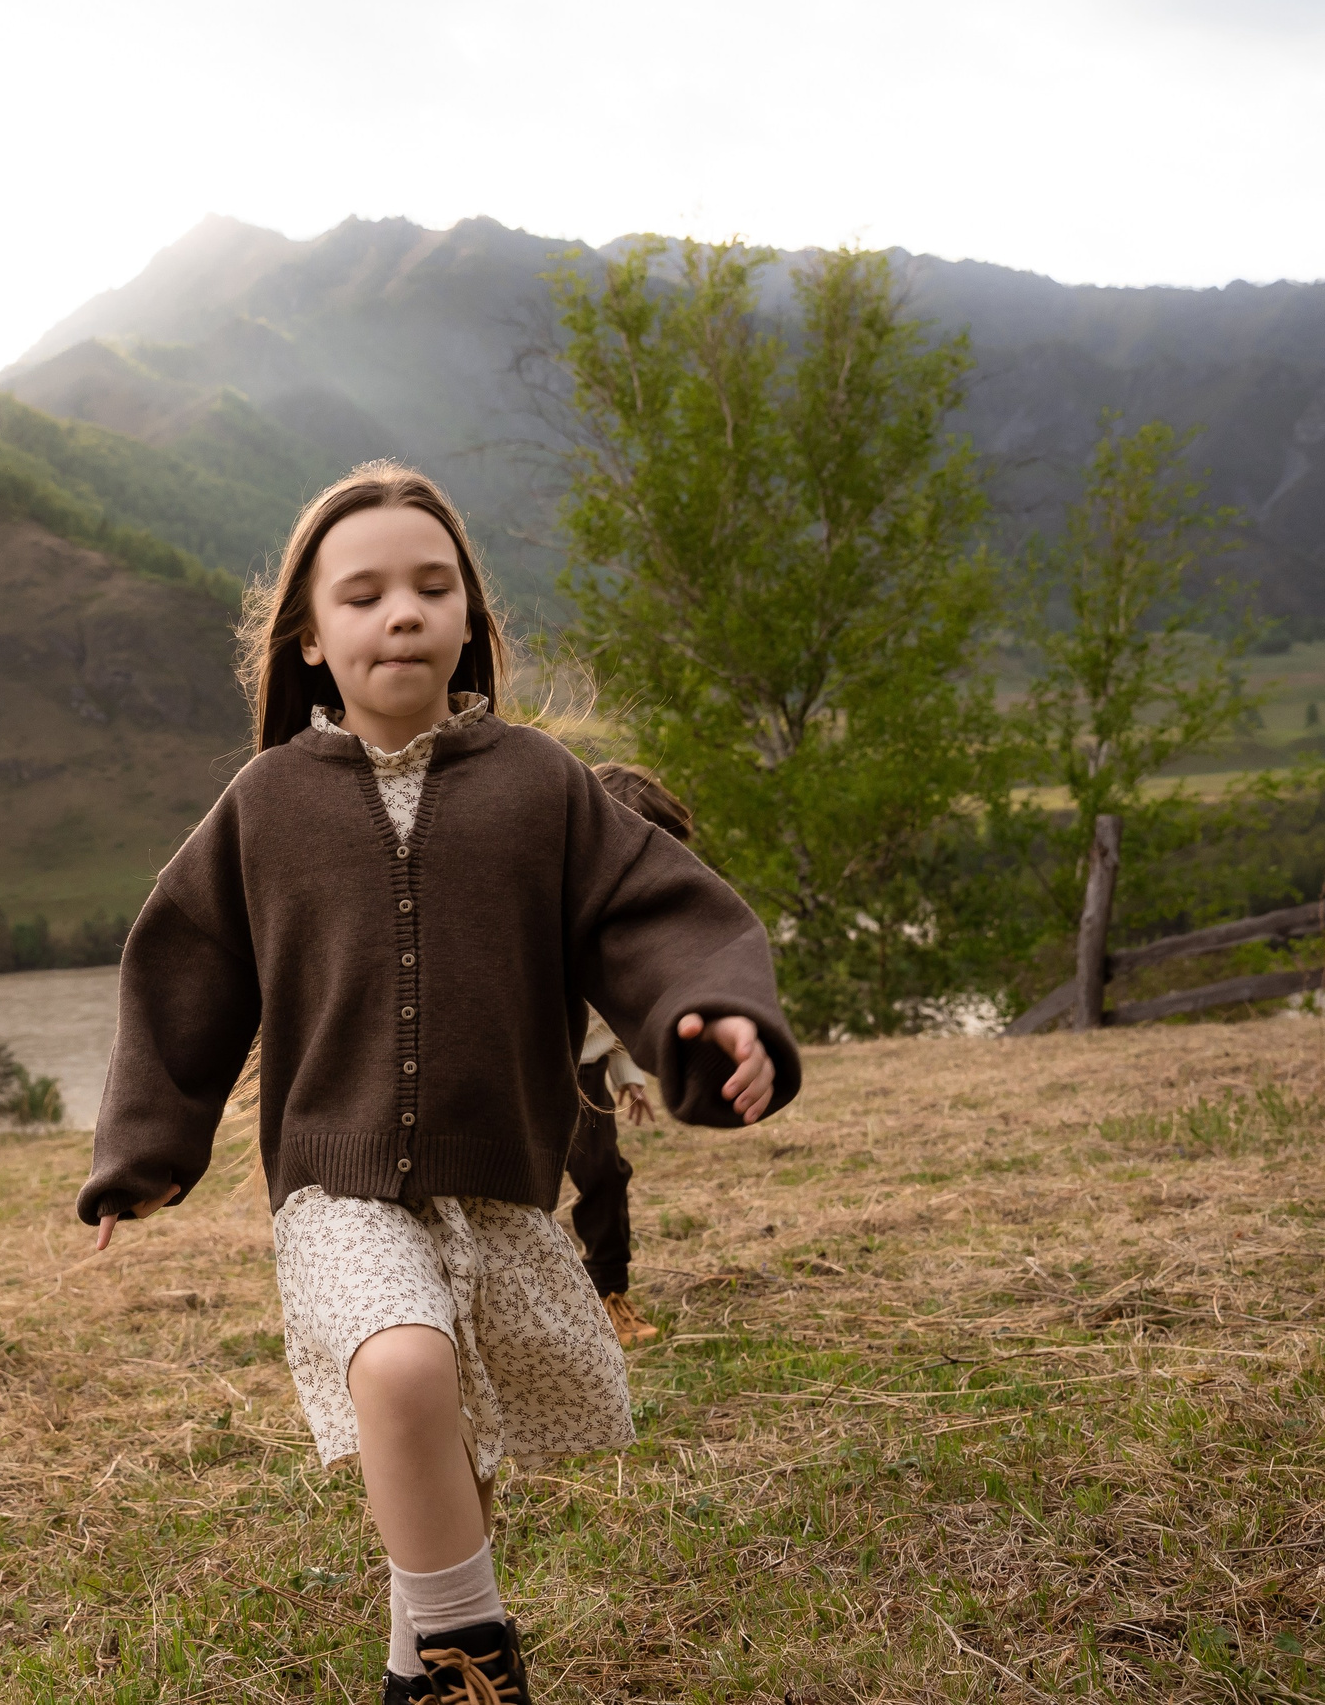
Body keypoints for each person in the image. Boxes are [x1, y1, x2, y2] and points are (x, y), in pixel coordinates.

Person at [81, 463, 799, 1704]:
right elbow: (185, 970)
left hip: (497, 1188)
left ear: (470, 618)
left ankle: (418, 1668)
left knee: (452, 1455)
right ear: (310, 638)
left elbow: (650, 916)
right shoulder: (265, 806)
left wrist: (714, 1014)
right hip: (335, 1184)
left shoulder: (539, 788)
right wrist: (143, 1155)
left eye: (431, 585)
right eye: (360, 594)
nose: (399, 612)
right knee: (403, 1369)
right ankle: (479, 1672)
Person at [571, 762, 698, 1349]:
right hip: (536, 1066)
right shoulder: (559, 899)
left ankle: (606, 1293)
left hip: (587, 1069)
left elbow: (602, 1008)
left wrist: (625, 1072)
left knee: (603, 1173)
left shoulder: (620, 915)